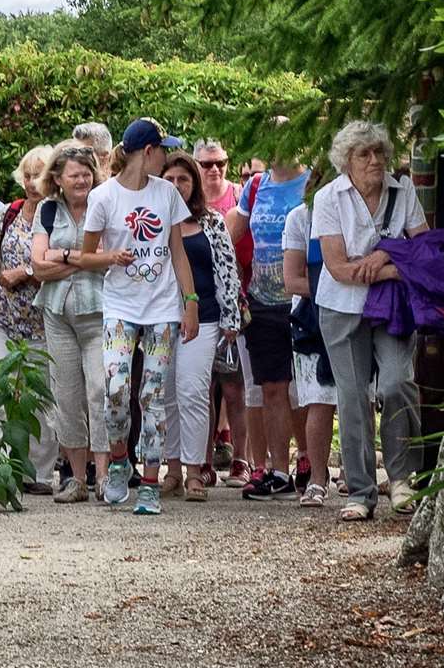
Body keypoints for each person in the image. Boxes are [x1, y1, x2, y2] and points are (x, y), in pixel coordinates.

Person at [310, 121, 430, 521]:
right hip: (341, 307)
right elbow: (339, 268)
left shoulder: (404, 191)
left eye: (379, 152)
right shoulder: (329, 197)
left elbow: (425, 247)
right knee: (353, 395)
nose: (375, 160)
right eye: (365, 154)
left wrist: (383, 258)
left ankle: (401, 479)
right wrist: (396, 265)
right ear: (347, 161)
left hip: (392, 306)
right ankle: (360, 491)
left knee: (398, 382)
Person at [80, 118, 200, 516]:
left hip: (163, 308)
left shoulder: (166, 194)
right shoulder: (105, 197)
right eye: (163, 150)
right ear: (147, 152)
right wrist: (111, 257)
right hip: (120, 306)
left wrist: (191, 302)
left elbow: (178, 253)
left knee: (152, 395)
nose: (167, 157)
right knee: (115, 389)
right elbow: (86, 256)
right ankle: (118, 461)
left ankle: (150, 481)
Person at [0, 144, 59, 494]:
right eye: (26, 174)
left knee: (39, 396)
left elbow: (63, 264)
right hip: (2, 319)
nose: (30, 181)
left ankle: (37, 474)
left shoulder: (59, 216)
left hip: (41, 320)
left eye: (38, 174)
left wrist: (26, 272)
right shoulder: (8, 213)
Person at [159, 152, 242, 502]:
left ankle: (196, 471)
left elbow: (227, 269)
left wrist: (231, 318)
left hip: (205, 317)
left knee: (193, 391)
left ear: (193, 184)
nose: (177, 185)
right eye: (170, 179)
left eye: (183, 179)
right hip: (161, 318)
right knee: (166, 397)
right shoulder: (154, 221)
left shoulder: (211, 221)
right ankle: (172, 470)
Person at [226, 151, 309, 500]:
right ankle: (278, 470)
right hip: (262, 299)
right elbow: (232, 236)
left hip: (303, 297)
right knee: (272, 387)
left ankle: (309, 459)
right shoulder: (257, 186)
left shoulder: (312, 183)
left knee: (304, 387)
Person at [32, 143, 110, 503]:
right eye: (73, 174)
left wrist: (61, 255)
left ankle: (105, 476)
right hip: (57, 312)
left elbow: (110, 261)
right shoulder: (47, 211)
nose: (81, 179)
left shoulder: (105, 204)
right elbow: (37, 265)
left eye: (86, 173)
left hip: (98, 311)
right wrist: (85, 259)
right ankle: (77, 479)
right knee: (66, 395)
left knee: (99, 391)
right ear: (58, 179)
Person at [282, 190, 337, 508]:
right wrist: (340, 285)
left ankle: (358, 477)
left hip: (355, 314)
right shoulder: (300, 218)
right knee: (318, 399)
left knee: (360, 397)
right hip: (311, 319)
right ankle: (317, 478)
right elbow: (292, 280)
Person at [195, 139, 241, 216]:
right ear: (195, 164)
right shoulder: (188, 197)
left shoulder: (240, 195)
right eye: (207, 164)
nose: (215, 169)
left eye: (220, 163)